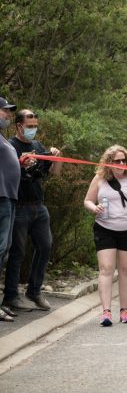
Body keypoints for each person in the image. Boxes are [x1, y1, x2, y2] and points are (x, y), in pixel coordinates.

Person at [2, 109, 62, 313]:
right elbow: (8, 174)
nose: (33, 130)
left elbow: (53, 173)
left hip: (39, 206)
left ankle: (34, 291)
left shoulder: (38, 146)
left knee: (45, 246)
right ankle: (10, 296)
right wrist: (22, 163)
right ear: (19, 126)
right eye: (29, 126)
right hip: (19, 206)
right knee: (17, 252)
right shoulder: (9, 146)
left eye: (35, 126)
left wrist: (55, 159)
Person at [83, 145, 127, 326]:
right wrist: (94, 208)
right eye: (117, 161)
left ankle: (124, 310)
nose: (121, 163)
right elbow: (87, 200)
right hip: (105, 228)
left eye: (124, 160)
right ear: (108, 163)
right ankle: (106, 312)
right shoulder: (100, 179)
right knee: (106, 268)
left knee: (125, 270)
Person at [0, 96, 20, 323]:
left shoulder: (3, 138)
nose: (8, 115)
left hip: (9, 197)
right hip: (1, 197)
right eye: (5, 111)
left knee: (5, 249)